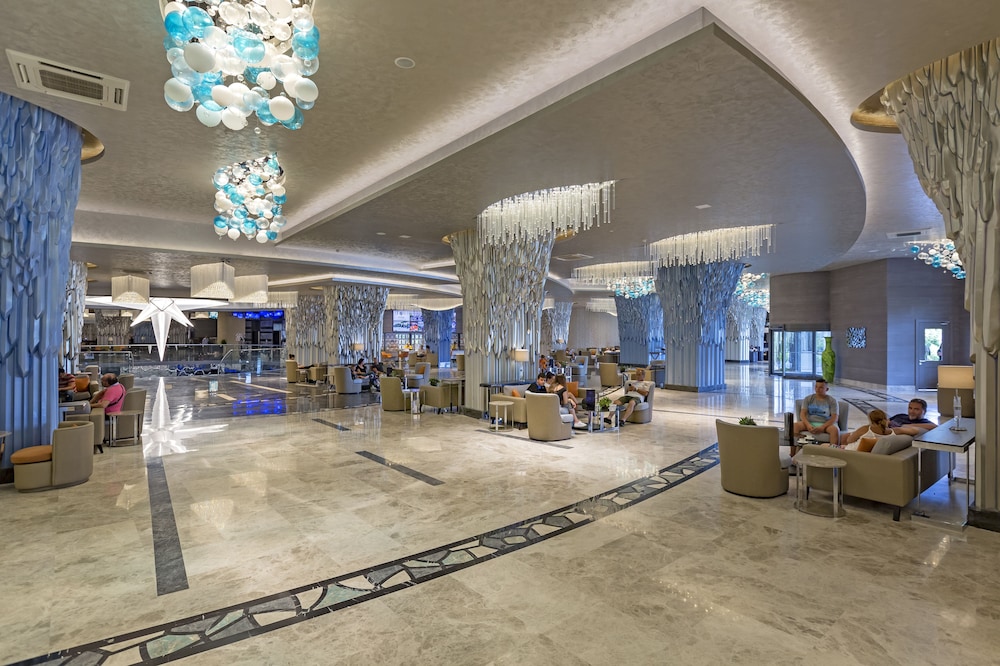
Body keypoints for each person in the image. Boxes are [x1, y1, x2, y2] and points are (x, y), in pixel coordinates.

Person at [793, 379, 840, 443]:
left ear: (827, 389)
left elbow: (834, 418)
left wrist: (823, 427)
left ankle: (832, 449)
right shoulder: (808, 398)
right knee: (795, 426)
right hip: (810, 422)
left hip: (825, 424)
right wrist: (808, 425)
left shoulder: (832, 401)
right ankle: (794, 449)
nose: (817, 389)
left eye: (821, 387)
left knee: (835, 430)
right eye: (816, 387)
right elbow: (802, 414)